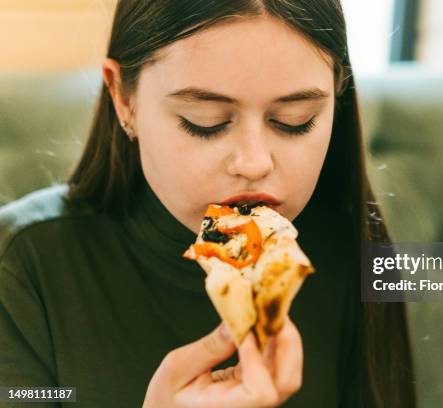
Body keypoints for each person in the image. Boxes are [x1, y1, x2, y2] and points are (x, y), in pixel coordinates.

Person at [0, 1, 415, 406]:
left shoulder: (356, 252)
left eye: (295, 120)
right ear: (123, 98)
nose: (253, 163)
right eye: (205, 122)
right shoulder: (21, 265)